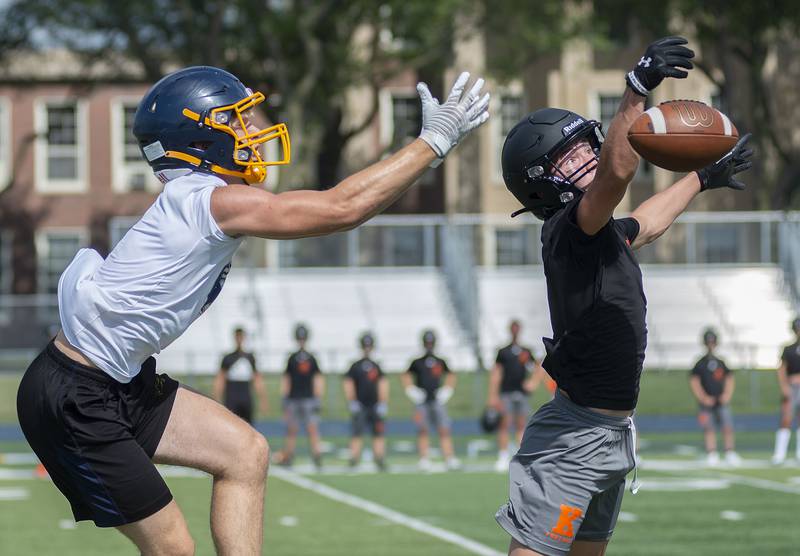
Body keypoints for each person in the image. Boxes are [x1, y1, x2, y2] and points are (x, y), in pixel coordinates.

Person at [16, 65, 489, 554]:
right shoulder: (210, 203)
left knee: (245, 453)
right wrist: (432, 143)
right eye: (235, 122)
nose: (251, 134)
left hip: (115, 380)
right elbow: (340, 209)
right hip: (76, 394)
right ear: (198, 139)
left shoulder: (193, 201)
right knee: (174, 547)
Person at [496, 36, 752, 556]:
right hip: (576, 436)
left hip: (611, 431)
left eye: (585, 145)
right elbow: (618, 170)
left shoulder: (600, 230)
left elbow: (649, 222)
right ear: (540, 184)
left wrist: (700, 179)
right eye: (568, 158)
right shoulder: (570, 228)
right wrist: (635, 88)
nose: (586, 157)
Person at [488, 319, 543, 472]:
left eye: (517, 329)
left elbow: (538, 366)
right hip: (506, 392)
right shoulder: (503, 352)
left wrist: (533, 382)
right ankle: (503, 455)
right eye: (513, 329)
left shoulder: (526, 350)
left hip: (521, 393)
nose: (515, 331)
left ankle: (521, 456)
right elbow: (496, 372)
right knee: (504, 424)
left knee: (521, 425)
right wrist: (493, 395)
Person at [402, 329, 460, 470]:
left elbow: (451, 375)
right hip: (422, 402)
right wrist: (411, 390)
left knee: (444, 429)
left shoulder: (440, 361)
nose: (429, 345)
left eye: (431, 342)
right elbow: (405, 375)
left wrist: (447, 390)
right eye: (427, 342)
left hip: (437, 401)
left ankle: (449, 457)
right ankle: (424, 459)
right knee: (423, 430)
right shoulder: (417, 362)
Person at [276, 323, 324, 469]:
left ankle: (317, 456)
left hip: (309, 399)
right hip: (294, 399)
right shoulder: (292, 358)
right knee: (292, 429)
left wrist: (318, 397)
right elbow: (287, 378)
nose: (301, 340)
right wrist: (284, 397)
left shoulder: (311, 358)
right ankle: (289, 456)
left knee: (312, 428)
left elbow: (317, 378)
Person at [689, 328, 739, 466]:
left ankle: (729, 452)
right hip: (706, 403)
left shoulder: (721, 362)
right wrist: (703, 397)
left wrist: (727, 395)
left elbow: (729, 378)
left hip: (721, 401)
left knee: (727, 426)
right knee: (708, 428)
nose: (711, 344)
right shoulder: (700, 363)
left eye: (713, 341)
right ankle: (711, 453)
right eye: (708, 342)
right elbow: (694, 381)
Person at [344, 332, 389, 470]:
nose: (367, 348)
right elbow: (348, 383)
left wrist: (382, 402)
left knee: (378, 433)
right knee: (357, 433)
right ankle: (354, 458)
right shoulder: (355, 366)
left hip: (375, 405)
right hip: (360, 404)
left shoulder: (376, 365)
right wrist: (352, 401)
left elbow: (382, 384)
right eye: (365, 346)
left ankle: (379, 458)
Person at [213, 326, 268, 424]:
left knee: (248, 426)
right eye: (237, 337)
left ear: (244, 338)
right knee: (230, 424)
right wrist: (217, 396)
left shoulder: (250, 357)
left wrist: (262, 399)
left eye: (241, 337)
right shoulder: (228, 358)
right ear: (234, 338)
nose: (239, 339)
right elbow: (220, 378)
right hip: (232, 394)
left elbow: (257, 379)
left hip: (245, 394)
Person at [772, 317, 800, 464]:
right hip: (792, 387)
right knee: (786, 419)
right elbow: (781, 369)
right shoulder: (788, 349)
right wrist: (784, 387)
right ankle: (779, 454)